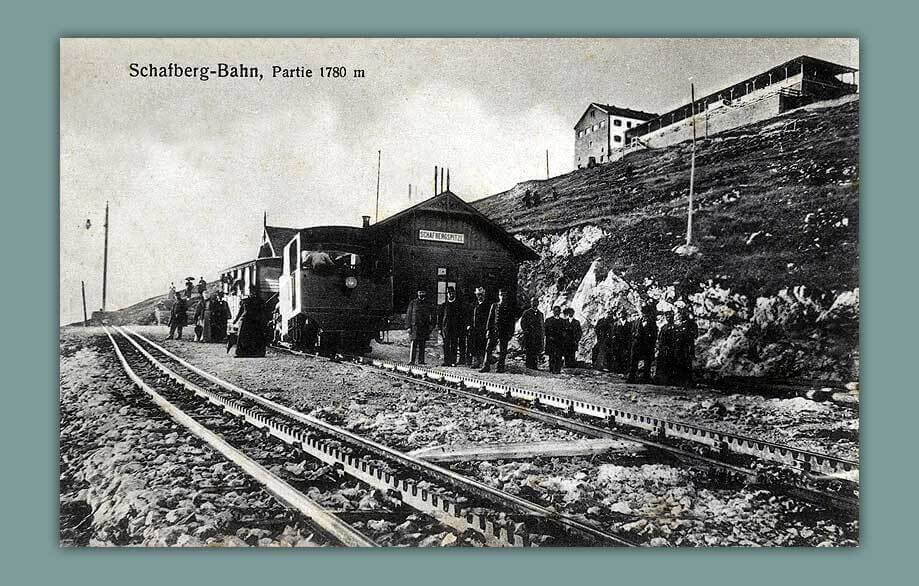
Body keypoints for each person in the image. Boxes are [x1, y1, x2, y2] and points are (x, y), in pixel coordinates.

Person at [480, 288, 516, 373]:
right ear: (498, 296)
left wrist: (510, 333)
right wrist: (488, 330)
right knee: (488, 348)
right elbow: (490, 319)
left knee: (503, 350)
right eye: (501, 295)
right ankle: (486, 366)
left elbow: (512, 322)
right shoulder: (494, 306)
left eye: (504, 295)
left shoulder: (509, 307)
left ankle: (500, 367)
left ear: (506, 296)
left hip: (504, 332)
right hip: (494, 331)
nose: (503, 297)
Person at [627, 303, 658, 383]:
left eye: (646, 313)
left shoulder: (652, 323)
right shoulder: (637, 321)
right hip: (637, 344)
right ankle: (632, 378)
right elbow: (632, 331)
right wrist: (635, 335)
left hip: (646, 345)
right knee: (633, 362)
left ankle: (645, 378)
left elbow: (654, 335)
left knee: (647, 362)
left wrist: (650, 341)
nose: (644, 315)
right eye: (643, 313)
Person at [232, 286, 267, 357]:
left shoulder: (260, 301)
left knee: (256, 336)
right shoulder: (244, 301)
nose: (252, 293)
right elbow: (240, 312)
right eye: (251, 291)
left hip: (256, 321)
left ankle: (257, 353)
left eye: (254, 291)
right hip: (246, 321)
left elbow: (263, 312)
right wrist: (235, 321)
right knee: (243, 337)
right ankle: (242, 353)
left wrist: (264, 320)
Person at [405, 289, 434, 365]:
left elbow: (432, 316)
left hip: (424, 327)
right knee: (414, 343)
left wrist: (431, 326)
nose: (421, 294)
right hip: (415, 327)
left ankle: (421, 360)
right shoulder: (413, 303)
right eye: (420, 292)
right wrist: (408, 326)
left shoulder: (428, 304)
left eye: (423, 292)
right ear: (418, 293)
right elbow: (408, 315)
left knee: (422, 344)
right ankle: (411, 361)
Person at [438, 287, 465, 366]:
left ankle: (453, 361)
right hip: (446, 329)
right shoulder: (444, 305)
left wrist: (460, 328)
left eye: (452, 293)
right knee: (446, 345)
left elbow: (461, 318)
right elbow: (440, 318)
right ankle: (446, 361)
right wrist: (440, 328)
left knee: (454, 344)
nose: (451, 294)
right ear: (447, 294)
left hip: (455, 329)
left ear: (454, 294)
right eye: (449, 293)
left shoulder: (458, 305)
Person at [653, 311, 680, 385]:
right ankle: (661, 380)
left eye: (670, 317)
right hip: (664, 349)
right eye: (667, 317)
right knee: (662, 364)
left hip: (672, 349)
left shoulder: (676, 327)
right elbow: (660, 338)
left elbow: (677, 339)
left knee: (671, 364)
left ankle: (671, 380)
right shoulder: (663, 327)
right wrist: (660, 346)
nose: (669, 318)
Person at [467, 287, 490, 369]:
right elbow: (470, 316)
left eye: (481, 295)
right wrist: (469, 325)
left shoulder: (487, 305)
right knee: (474, 344)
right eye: (478, 295)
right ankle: (476, 361)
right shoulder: (474, 304)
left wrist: (487, 328)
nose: (480, 296)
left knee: (482, 345)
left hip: (483, 329)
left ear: (484, 295)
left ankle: (483, 361)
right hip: (474, 328)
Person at [519, 300, 545, 370]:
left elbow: (542, 325)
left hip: (537, 335)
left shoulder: (540, 314)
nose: (535, 304)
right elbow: (522, 323)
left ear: (538, 304)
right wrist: (526, 330)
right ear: (531, 303)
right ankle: (528, 365)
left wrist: (541, 335)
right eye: (533, 302)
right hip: (529, 335)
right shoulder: (526, 312)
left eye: (536, 302)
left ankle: (534, 365)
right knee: (529, 349)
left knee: (536, 350)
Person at [677, 306, 698, 387]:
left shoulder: (692, 325)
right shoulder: (680, 324)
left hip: (687, 346)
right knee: (680, 362)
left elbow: (695, 335)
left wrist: (687, 335)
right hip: (680, 346)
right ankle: (680, 380)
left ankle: (688, 381)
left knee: (687, 363)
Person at [608, 309, 633, 374]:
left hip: (625, 342)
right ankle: (617, 370)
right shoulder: (616, 324)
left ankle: (624, 370)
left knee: (624, 356)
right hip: (617, 343)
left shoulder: (629, 324)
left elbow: (630, 334)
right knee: (617, 356)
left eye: (623, 314)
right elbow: (612, 334)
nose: (622, 315)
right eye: (621, 314)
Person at [544, 306, 566, 374]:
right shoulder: (548, 320)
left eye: (558, 311)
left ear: (560, 312)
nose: (556, 312)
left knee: (559, 355)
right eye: (555, 311)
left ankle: (558, 369)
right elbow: (545, 330)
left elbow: (565, 330)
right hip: (551, 341)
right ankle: (552, 369)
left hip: (559, 341)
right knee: (552, 355)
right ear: (553, 311)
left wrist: (563, 336)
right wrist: (549, 336)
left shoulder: (563, 321)